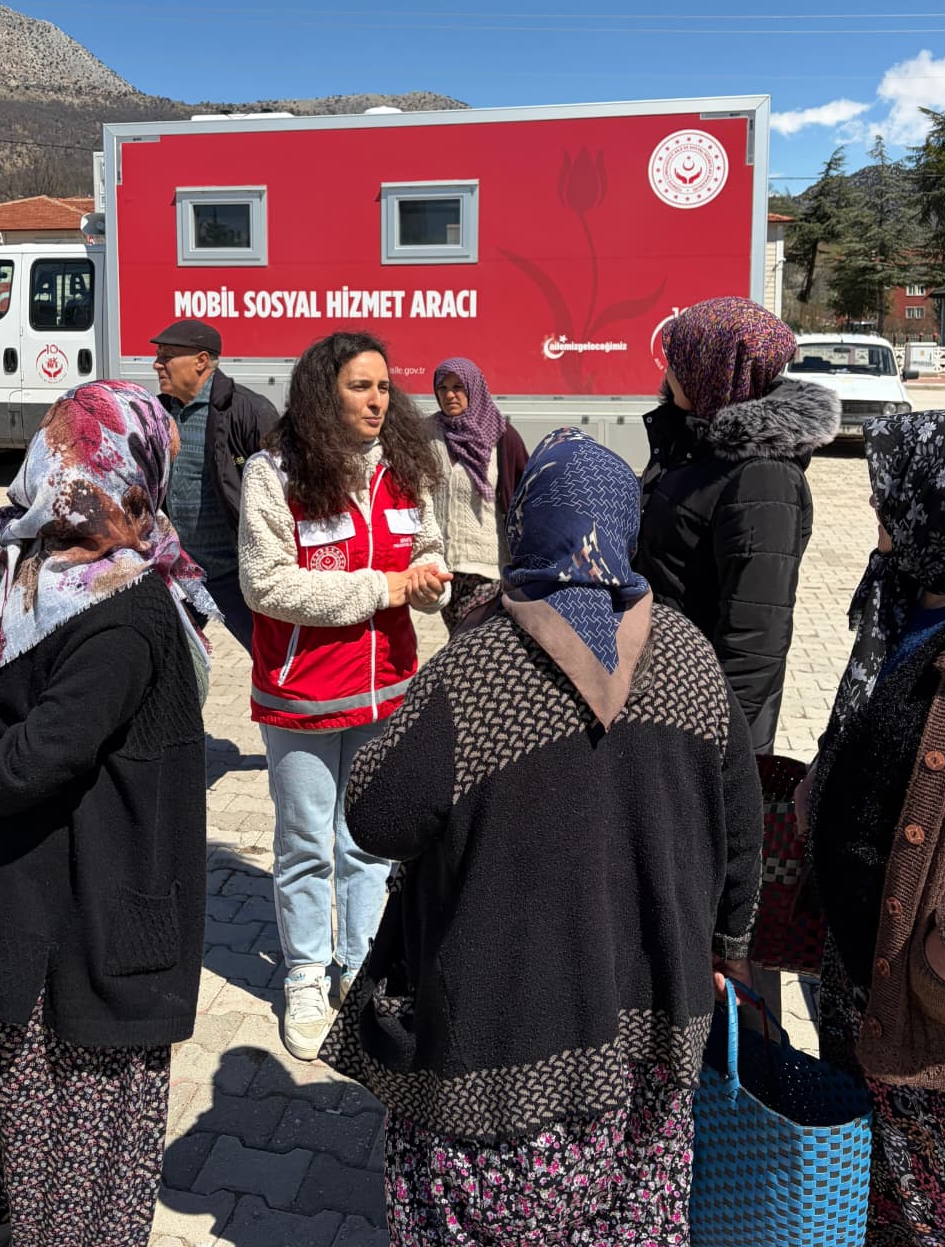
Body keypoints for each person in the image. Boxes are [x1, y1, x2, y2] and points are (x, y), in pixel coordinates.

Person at [321, 426, 764, 1246]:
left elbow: (376, 815)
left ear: (527, 525)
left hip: (499, 1040)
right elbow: (743, 834)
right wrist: (730, 947)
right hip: (652, 1030)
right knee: (632, 1216)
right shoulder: (693, 660)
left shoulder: (477, 670)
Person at [0, 381, 217, 1247]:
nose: (110, 512)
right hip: (0, 905)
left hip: (96, 927)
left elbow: (46, 754)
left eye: (126, 496)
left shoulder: (133, 603)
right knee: (12, 1116)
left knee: (82, 1161)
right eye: (86, 483)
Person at [796, 410, 945, 1247]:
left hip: (943, 997)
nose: (878, 511)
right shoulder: (900, 593)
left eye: (893, 495)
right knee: (877, 1206)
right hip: (859, 967)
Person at [238, 330, 451, 1061]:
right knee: (304, 845)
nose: (377, 399)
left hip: (386, 690)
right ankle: (304, 975)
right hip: (300, 697)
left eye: (384, 387)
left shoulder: (405, 468)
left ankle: (358, 967)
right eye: (361, 385)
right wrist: (380, 588)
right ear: (324, 391)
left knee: (365, 843)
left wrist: (425, 579)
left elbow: (424, 549)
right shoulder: (276, 472)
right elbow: (266, 584)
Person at [635, 295, 839, 753]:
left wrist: (721, 754)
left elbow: (756, 639)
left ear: (713, 370)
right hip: (669, 692)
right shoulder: (696, 440)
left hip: (710, 724)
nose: (666, 373)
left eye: (677, 362)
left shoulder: (762, 479)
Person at [151, 317, 278, 655]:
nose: (157, 364)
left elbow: (286, 489)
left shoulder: (247, 410)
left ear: (201, 361)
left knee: (273, 660)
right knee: (167, 663)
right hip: (182, 573)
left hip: (234, 573)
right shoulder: (160, 412)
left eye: (167, 356)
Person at [428, 356, 529, 633]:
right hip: (441, 569)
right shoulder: (425, 435)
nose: (450, 395)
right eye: (443, 388)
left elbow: (526, 495)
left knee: (469, 643)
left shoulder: (501, 436)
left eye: (458, 387)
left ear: (474, 388)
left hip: (487, 571)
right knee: (457, 640)